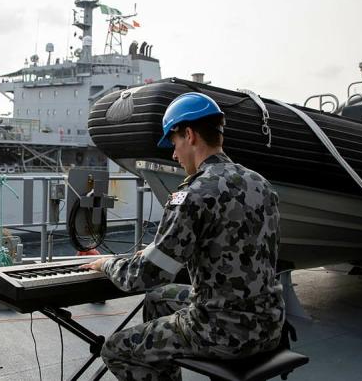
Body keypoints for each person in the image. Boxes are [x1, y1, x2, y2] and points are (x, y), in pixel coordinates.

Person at [81, 92, 285, 380]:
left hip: (224, 332)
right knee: (159, 298)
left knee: (116, 349)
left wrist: (107, 263)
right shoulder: (261, 184)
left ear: (189, 135)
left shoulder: (193, 193)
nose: (174, 155)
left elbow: (145, 275)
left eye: (174, 142)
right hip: (269, 325)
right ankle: (164, 365)